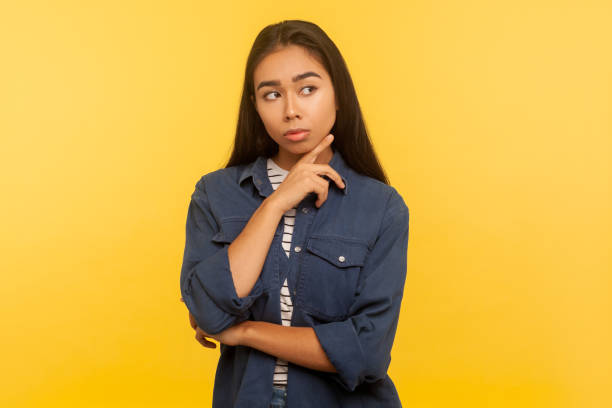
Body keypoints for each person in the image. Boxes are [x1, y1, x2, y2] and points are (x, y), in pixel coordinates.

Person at [179, 19, 410, 408]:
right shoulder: (215, 195)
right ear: (255, 105)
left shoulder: (381, 207)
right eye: (271, 95)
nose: (291, 110)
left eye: (308, 89)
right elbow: (207, 311)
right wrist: (275, 203)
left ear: (338, 95)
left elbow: (367, 352)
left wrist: (247, 332)